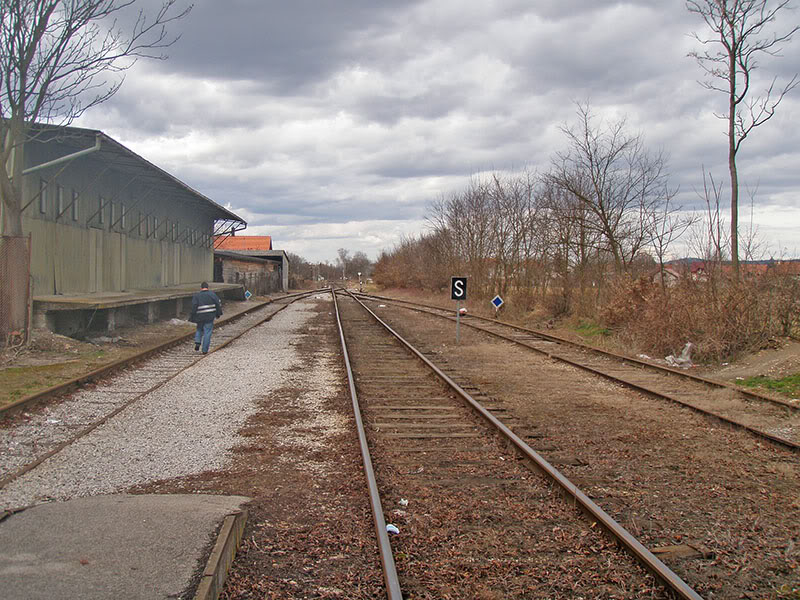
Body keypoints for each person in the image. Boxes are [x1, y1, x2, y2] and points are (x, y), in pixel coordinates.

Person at [189, 282, 222, 354]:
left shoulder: (197, 296)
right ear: (208, 287)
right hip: (209, 317)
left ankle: (197, 342)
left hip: (200, 316)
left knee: (199, 329)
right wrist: (218, 314)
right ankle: (204, 350)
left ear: (201, 288)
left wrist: (192, 316)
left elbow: (194, 306)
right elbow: (217, 304)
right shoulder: (212, 295)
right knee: (207, 332)